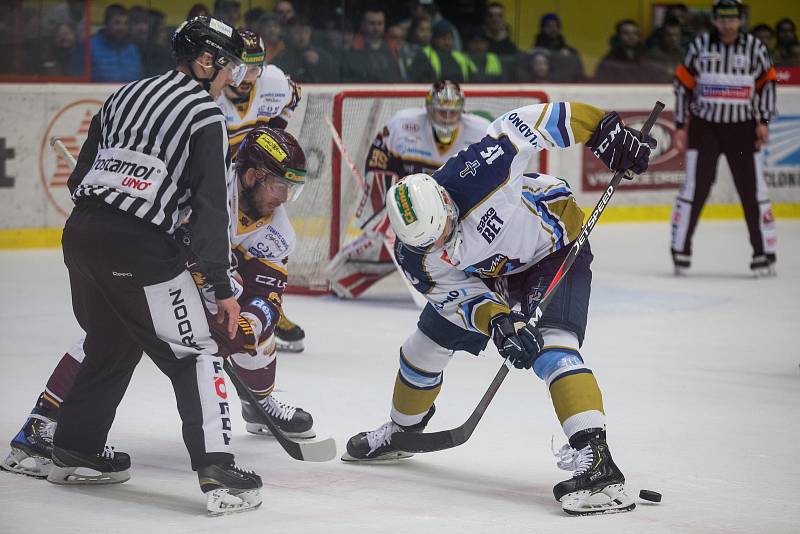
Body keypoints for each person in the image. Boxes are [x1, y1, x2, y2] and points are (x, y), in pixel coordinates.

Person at [341, 99, 655, 517]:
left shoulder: (478, 172)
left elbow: (532, 120)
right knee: (422, 348)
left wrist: (603, 131)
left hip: (552, 244)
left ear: (446, 203)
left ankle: (598, 460)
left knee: (552, 348)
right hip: (489, 275)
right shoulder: (416, 256)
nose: (442, 244)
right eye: (430, 244)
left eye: (445, 232)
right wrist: (500, 322)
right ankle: (402, 432)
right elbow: (461, 296)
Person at [2, 127, 316, 482]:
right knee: (115, 333)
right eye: (279, 186)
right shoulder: (204, 183)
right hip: (157, 273)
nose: (284, 198)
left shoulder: (279, 233)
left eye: (291, 189)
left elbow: (267, 294)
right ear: (251, 176)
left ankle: (260, 404)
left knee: (255, 338)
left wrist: (248, 325)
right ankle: (41, 423)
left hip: (213, 290)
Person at [45, 16, 261, 515]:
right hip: (135, 247)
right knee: (196, 351)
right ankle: (218, 470)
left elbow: (81, 179)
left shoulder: (122, 95)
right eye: (228, 66)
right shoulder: (206, 116)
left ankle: (76, 449)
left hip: (80, 236)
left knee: (111, 341)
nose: (232, 77)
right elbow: (210, 209)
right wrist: (223, 286)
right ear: (205, 61)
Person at [326, 81, 490, 299]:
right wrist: (386, 215)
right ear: (429, 107)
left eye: (453, 113)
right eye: (442, 112)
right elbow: (377, 169)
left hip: (458, 218)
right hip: (410, 216)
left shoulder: (481, 131)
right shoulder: (402, 125)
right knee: (338, 277)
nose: (447, 118)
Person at [671, 0, 778, 276]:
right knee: (696, 187)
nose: (727, 23)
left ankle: (763, 251)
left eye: (732, 18)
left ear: (740, 20)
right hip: (704, 127)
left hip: (742, 127)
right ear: (714, 20)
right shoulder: (700, 45)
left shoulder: (755, 48)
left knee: (751, 190)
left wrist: (764, 121)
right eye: (722, 18)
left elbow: (767, 82)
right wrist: (681, 124)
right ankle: (680, 248)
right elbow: (682, 84)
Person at [216, 29, 305, 351]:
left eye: (256, 68)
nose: (248, 77)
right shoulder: (207, 94)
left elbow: (292, 97)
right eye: (241, 67)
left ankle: (266, 301)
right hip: (213, 180)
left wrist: (270, 146)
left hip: (252, 178)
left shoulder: (276, 84)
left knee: (268, 238)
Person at [594, 19, 668, 83]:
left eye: (635, 33)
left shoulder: (646, 57)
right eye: (626, 33)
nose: (631, 37)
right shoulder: (609, 60)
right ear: (618, 36)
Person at [345, 7, 403, 82]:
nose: (376, 28)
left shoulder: (393, 48)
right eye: (372, 23)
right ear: (363, 25)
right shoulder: (353, 48)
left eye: (380, 23)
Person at [274, 15, 337, 83]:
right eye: (297, 32)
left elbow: (333, 77)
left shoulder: (322, 55)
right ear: (289, 34)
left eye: (306, 32)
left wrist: (319, 62)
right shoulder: (282, 55)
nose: (302, 37)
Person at [90, 4, 142, 82]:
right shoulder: (91, 47)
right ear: (106, 23)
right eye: (117, 22)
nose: (122, 27)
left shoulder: (133, 49)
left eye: (125, 23)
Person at [533, 13, 585, 82]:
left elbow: (579, 76)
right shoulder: (535, 53)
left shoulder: (570, 52)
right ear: (542, 28)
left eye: (556, 26)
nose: (553, 29)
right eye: (548, 26)